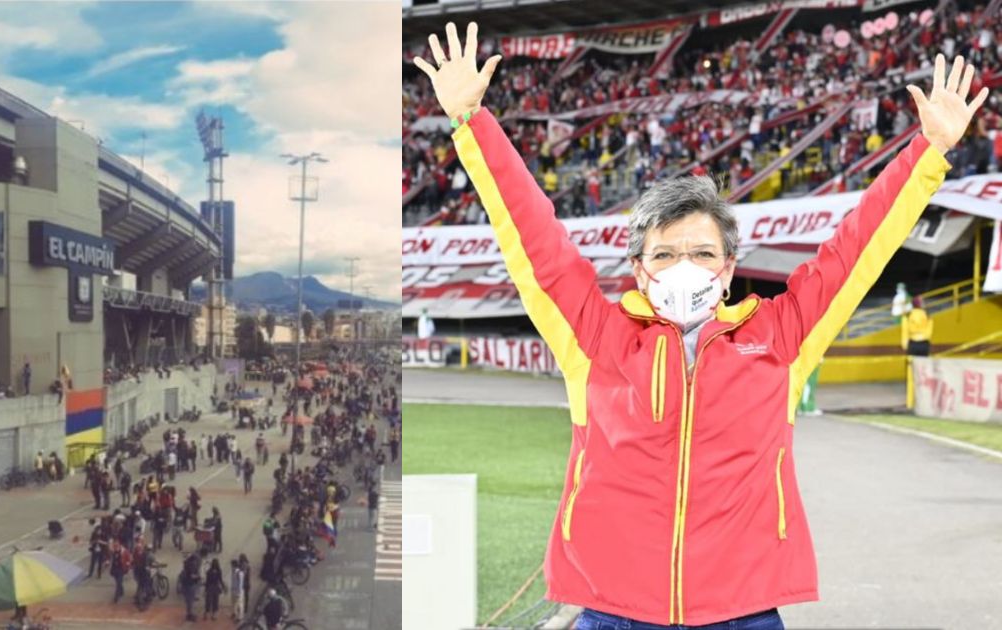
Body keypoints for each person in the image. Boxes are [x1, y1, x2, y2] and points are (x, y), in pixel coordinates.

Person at [415, 29, 986, 627]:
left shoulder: (781, 336)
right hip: (612, 612)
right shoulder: (593, 336)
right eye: (664, 255)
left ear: (730, 267)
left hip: (743, 612)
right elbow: (534, 237)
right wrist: (471, 121)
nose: (684, 266)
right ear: (637, 269)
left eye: (702, 253)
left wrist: (929, 152)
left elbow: (858, 246)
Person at [181, 551, 201, 622]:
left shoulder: (187, 564)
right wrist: (198, 577)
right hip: (189, 585)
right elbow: (192, 576)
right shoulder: (192, 565)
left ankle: (189, 613)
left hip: (186, 584)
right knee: (190, 601)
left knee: (189, 601)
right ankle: (189, 614)